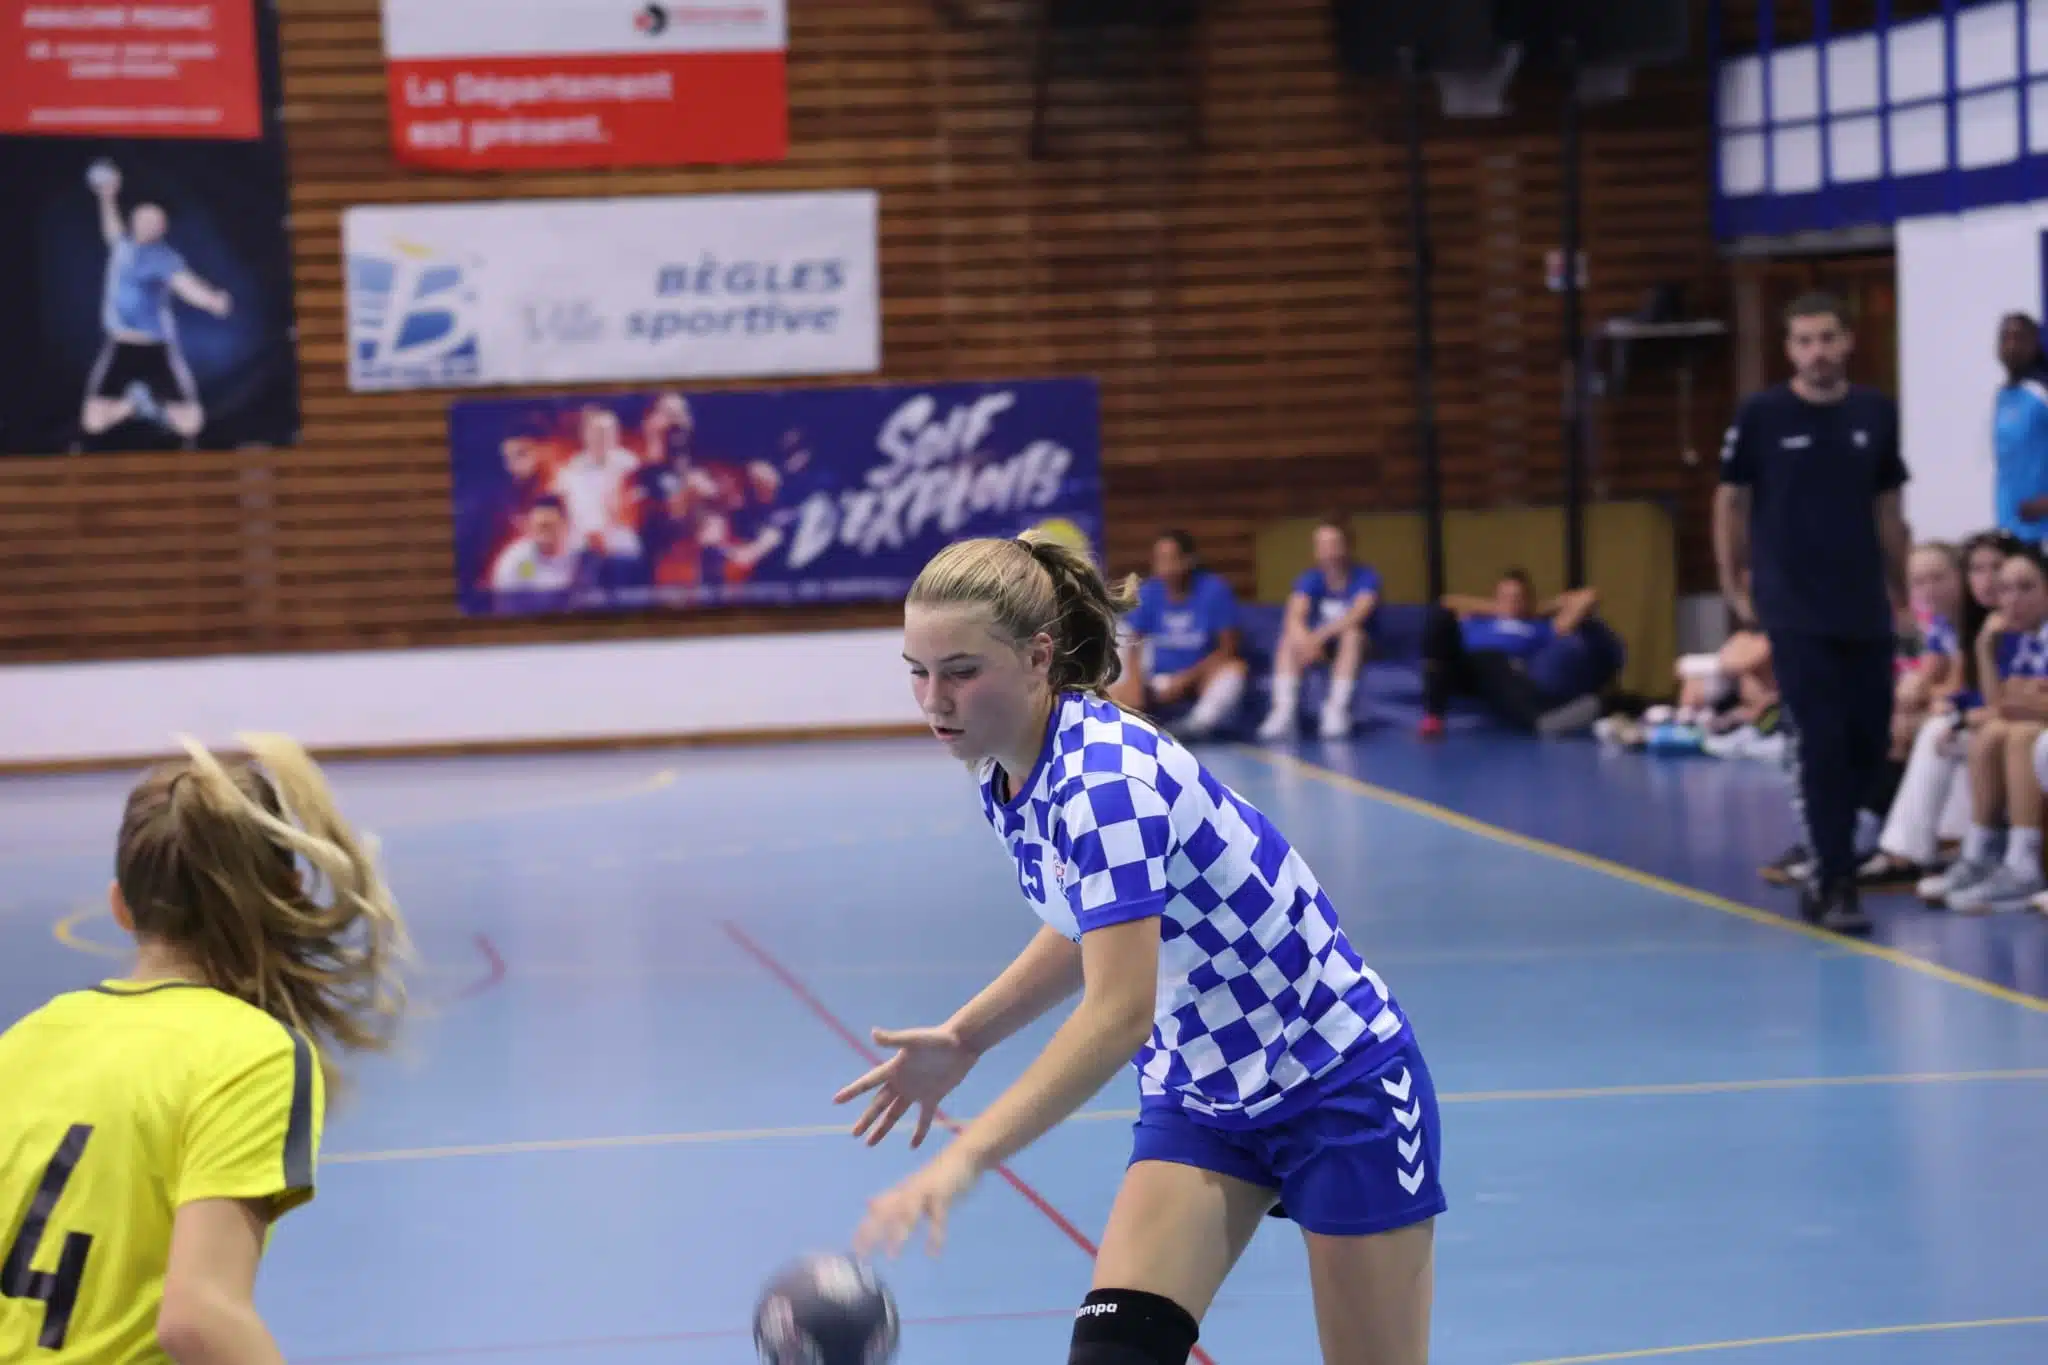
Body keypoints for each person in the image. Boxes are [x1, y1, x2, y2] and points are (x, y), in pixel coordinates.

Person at [847, 533, 1442, 1365]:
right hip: (1202, 1097)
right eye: (918, 670)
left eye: (961, 671)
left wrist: (968, 1154)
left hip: (1335, 1081)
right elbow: (1086, 920)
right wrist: (964, 1036)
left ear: (1038, 656)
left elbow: (1118, 1014)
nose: (933, 699)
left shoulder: (1105, 782)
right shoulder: (1003, 762)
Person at [0, 733, 409, 1363]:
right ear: (290, 890)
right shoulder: (251, 1055)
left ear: (120, 906)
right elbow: (199, 1317)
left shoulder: (27, 1038)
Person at [1714, 291, 1911, 934]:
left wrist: (1902, 593)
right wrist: (1734, 583)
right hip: (1794, 605)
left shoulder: (1874, 412)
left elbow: (1888, 509)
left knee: (1868, 739)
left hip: (1863, 604)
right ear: (1789, 349)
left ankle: (1832, 852)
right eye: (1804, 341)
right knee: (1822, 739)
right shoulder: (1764, 415)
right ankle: (1834, 878)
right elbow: (1731, 501)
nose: (1817, 352)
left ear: (1847, 341)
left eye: (1827, 338)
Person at [1913, 545, 2048, 912]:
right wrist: (1985, 646)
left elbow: (2015, 706)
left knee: (2019, 735)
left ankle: (2023, 865)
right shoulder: (2022, 635)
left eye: (2026, 587)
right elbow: (2000, 703)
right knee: (1991, 734)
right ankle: (1980, 855)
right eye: (2006, 590)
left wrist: (2022, 701)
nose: (2012, 599)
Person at [79, 160, 232, 446]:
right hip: (121, 345)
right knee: (93, 422)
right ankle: (135, 404)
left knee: (191, 424)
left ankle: (153, 403)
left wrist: (212, 301)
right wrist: (107, 196)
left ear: (162, 228)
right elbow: (111, 229)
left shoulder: (163, 258)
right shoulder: (123, 246)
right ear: (134, 220)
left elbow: (186, 285)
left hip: (156, 349)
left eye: (154, 221)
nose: (147, 224)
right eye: (143, 218)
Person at [1416, 569, 1604, 738]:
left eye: (1517, 597)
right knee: (1440, 619)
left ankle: (1540, 721)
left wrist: (1536, 609)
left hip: (1499, 671)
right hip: (1461, 667)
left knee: (1489, 657)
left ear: (1528, 601)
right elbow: (1446, 602)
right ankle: (1432, 716)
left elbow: (1589, 596)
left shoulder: (1540, 627)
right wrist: (1497, 608)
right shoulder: (1477, 620)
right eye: (1505, 596)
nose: (1511, 602)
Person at [1110, 530, 1250, 738]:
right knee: (1113, 690)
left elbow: (1228, 649)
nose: (1164, 566)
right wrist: (1134, 682)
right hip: (1158, 680)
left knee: (1236, 669)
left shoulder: (1215, 590)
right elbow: (1133, 643)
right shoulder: (1149, 592)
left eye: (1171, 559)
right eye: (1159, 559)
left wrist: (1186, 680)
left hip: (1199, 677)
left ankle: (1196, 726)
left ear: (1189, 560)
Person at [1257, 517, 1382, 740]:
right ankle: (1283, 711)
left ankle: (1336, 710)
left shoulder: (1366, 576)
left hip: (1357, 647)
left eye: (1333, 544)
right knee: (1288, 639)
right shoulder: (1310, 579)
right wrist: (1305, 641)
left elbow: (1357, 615)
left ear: (1347, 546)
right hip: (1319, 647)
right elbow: (1294, 616)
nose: (1327, 551)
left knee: (1352, 635)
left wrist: (1318, 637)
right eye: (1321, 545)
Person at [1993, 313, 2048, 543]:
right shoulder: (2003, 396)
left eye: (2019, 338)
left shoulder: (2042, 392)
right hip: (2009, 527)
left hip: (2042, 530)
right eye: (2005, 338)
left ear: (2034, 343)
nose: (2011, 345)